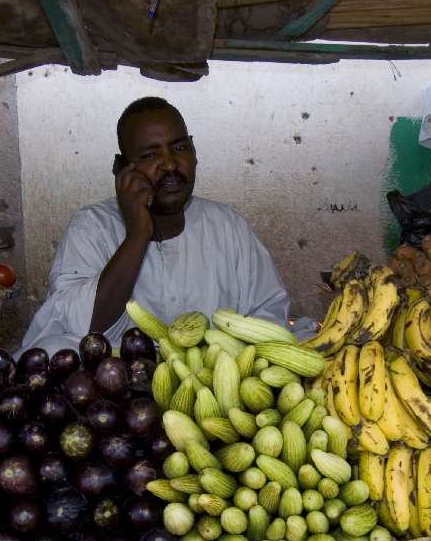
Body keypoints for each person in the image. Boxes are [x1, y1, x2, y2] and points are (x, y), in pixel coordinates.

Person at [22, 97, 290, 353]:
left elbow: (269, 314)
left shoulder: (227, 226)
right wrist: (138, 234)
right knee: (53, 350)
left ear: (194, 153)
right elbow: (81, 325)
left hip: (210, 380)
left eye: (179, 148)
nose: (170, 164)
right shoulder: (91, 227)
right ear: (121, 168)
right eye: (150, 155)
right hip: (117, 380)